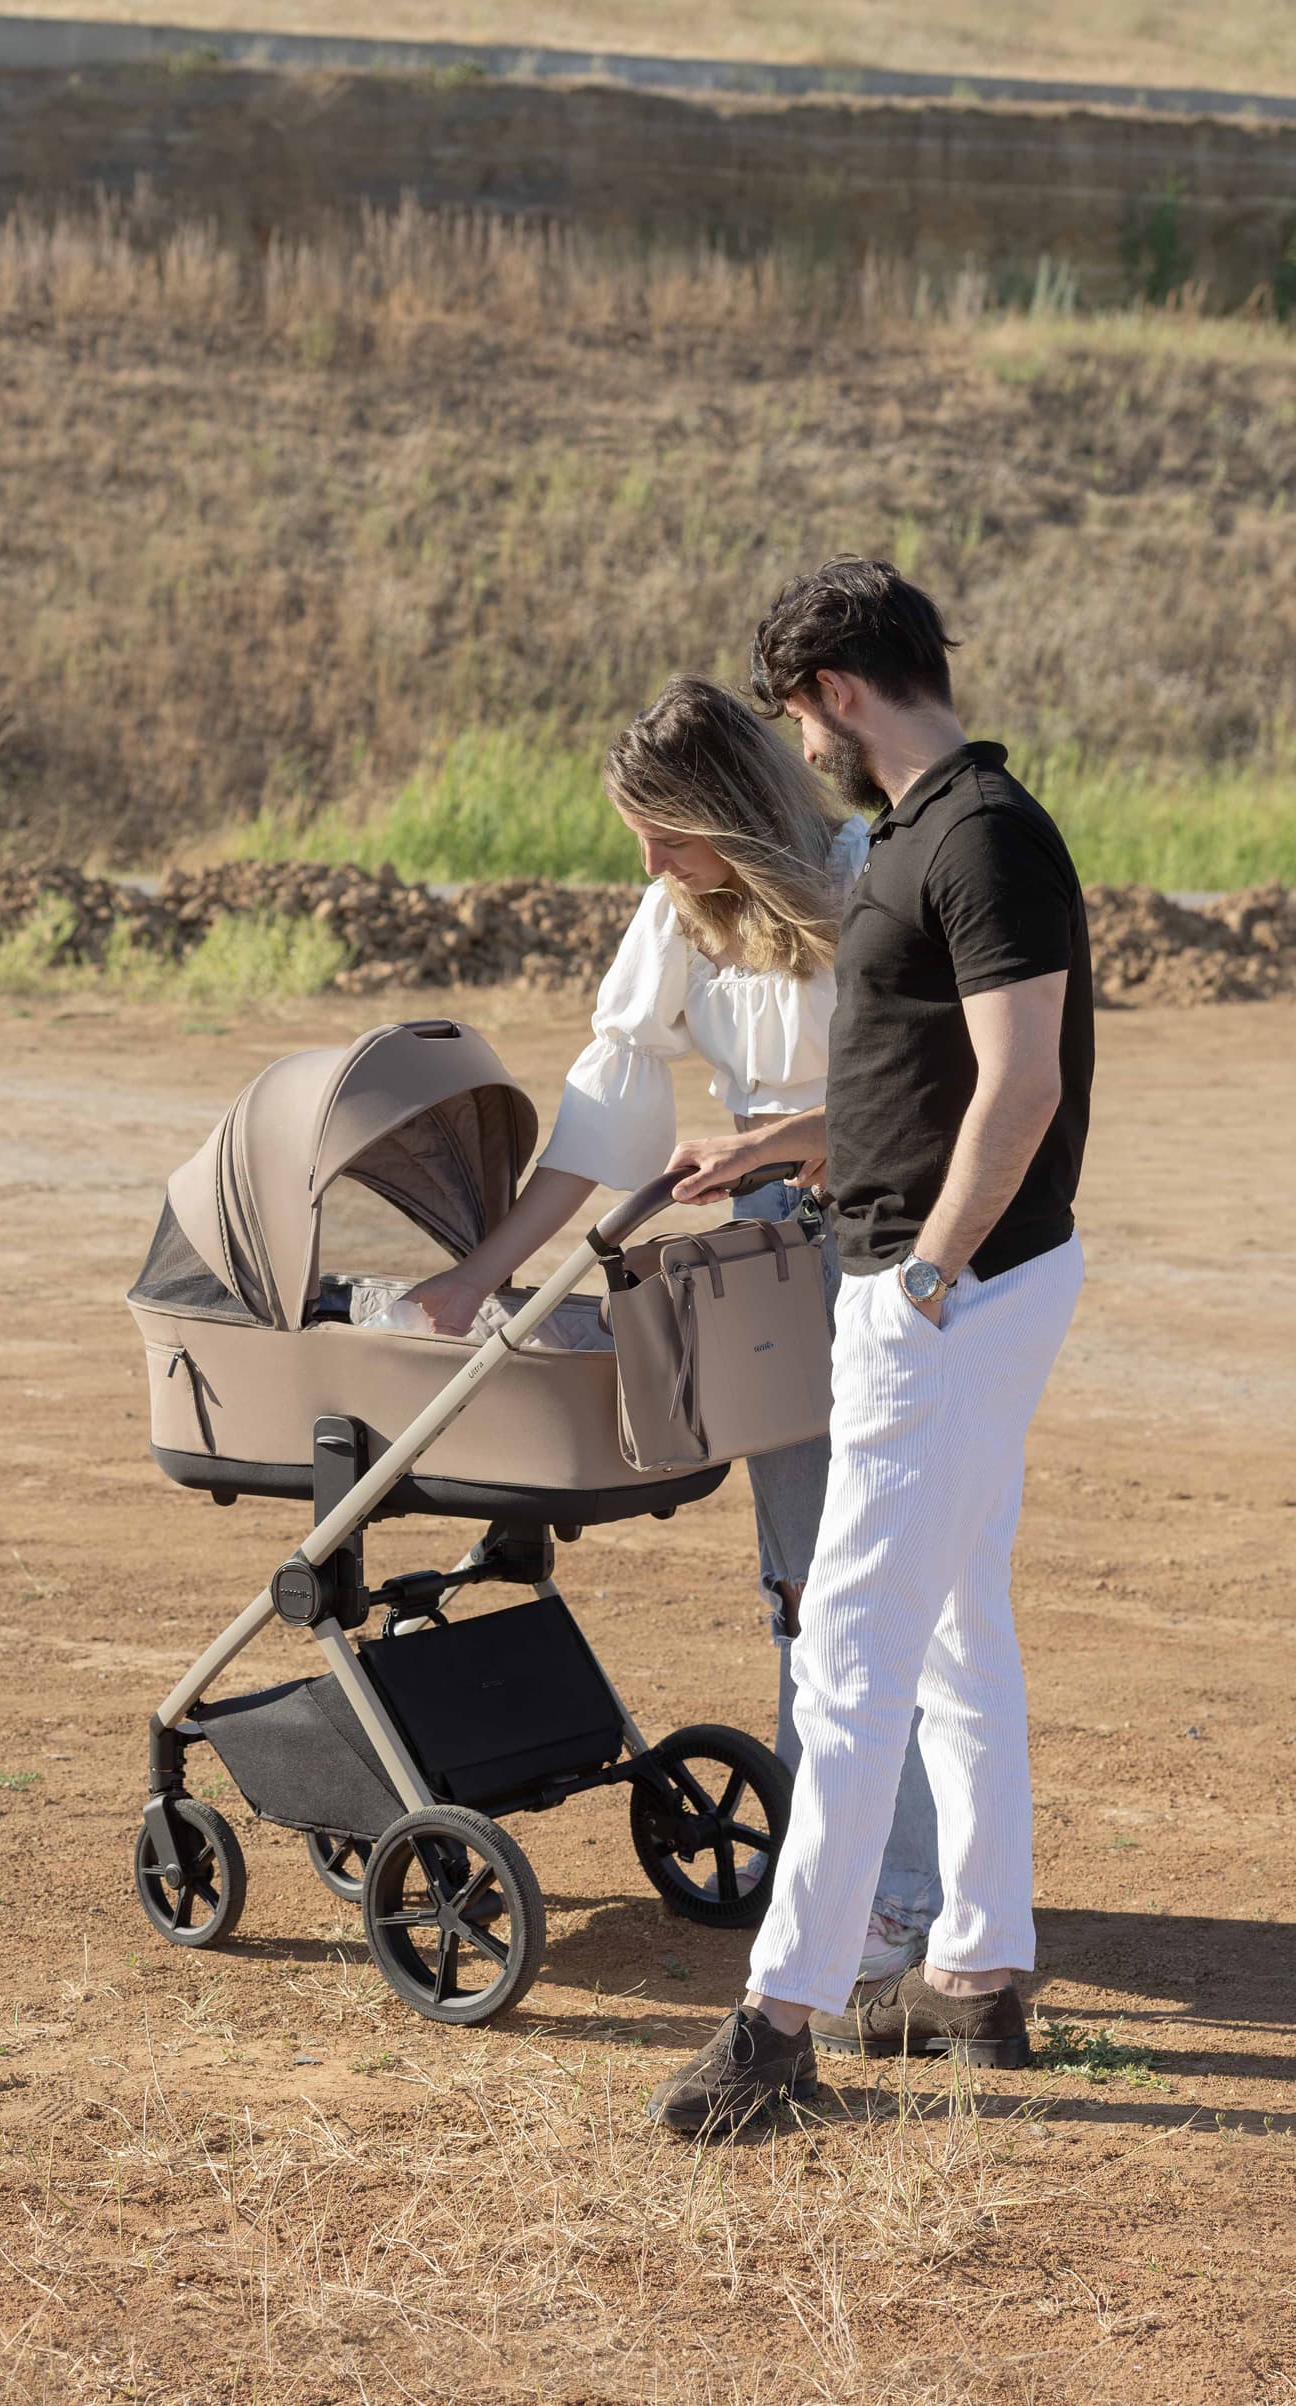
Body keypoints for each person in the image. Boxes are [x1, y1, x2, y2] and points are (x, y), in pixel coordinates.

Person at [645, 558, 1095, 2137]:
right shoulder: (918, 831)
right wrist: (781, 1142)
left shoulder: (982, 836)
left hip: (946, 1296)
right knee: (958, 1628)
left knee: (844, 1651)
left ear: (836, 690)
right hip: (935, 1280)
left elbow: (1018, 1085)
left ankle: (775, 2025)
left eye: (797, 716)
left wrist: (924, 1277)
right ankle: (974, 1969)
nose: (802, 747)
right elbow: (922, 1084)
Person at [405, 673, 941, 1980]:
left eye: (665, 833)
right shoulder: (680, 913)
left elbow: (934, 1081)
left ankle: (898, 1889)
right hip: (765, 1257)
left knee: (881, 1572)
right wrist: (481, 1275)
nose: (647, 863)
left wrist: (788, 1143)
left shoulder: (876, 873)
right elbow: (610, 1106)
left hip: (894, 1234)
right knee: (803, 1578)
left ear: (733, 808)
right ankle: (842, 1868)